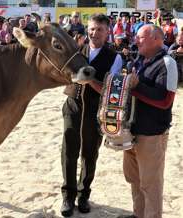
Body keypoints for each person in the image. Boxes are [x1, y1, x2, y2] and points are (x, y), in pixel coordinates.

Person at [61, 13, 123, 217]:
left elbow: (111, 91)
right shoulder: (76, 50)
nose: (94, 33)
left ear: (107, 32)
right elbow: (62, 73)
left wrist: (90, 81)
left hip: (96, 111)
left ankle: (83, 194)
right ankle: (68, 196)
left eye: (99, 29)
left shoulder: (115, 57)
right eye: (92, 28)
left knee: (89, 154)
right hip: (73, 106)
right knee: (69, 152)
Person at [119, 24, 178, 218]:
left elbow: (164, 100)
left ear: (156, 39)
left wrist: (136, 87)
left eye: (140, 37)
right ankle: (138, 215)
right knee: (135, 180)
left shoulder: (168, 63)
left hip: (152, 134)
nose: (136, 40)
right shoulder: (137, 61)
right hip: (131, 131)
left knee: (151, 185)